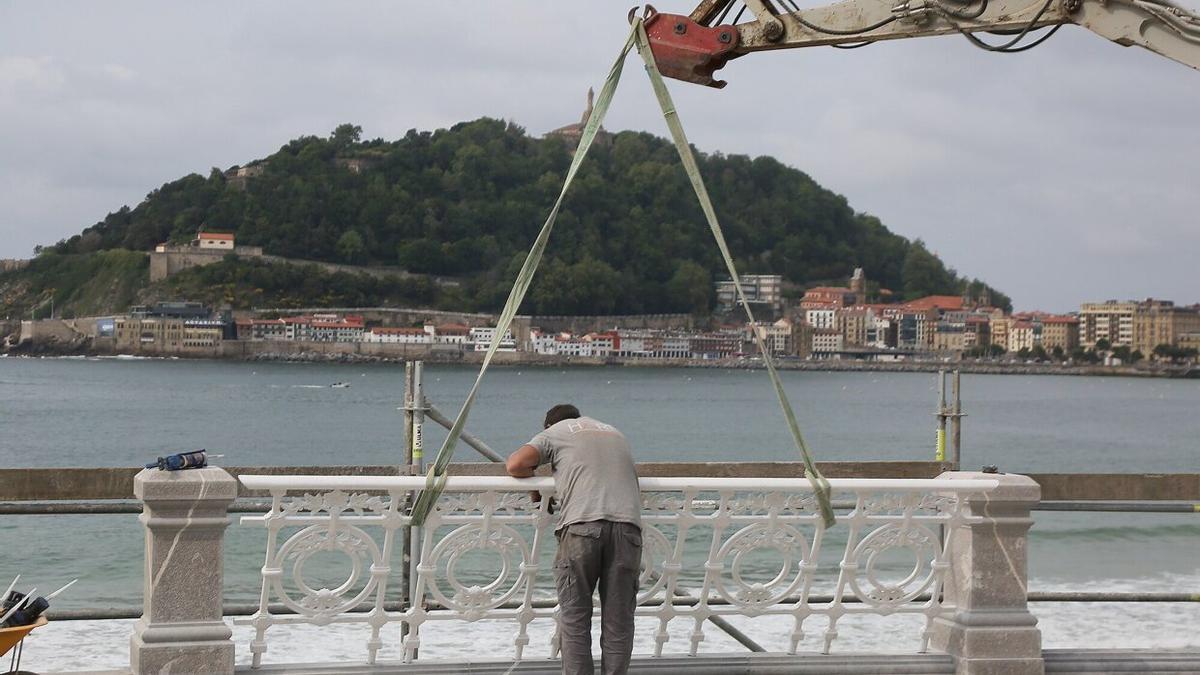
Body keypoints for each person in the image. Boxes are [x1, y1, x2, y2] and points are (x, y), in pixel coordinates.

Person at [506, 404, 642, 675]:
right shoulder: (613, 431)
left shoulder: (554, 433)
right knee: (619, 621)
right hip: (628, 528)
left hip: (582, 528)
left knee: (576, 619)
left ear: (548, 425)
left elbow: (516, 464)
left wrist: (535, 486)